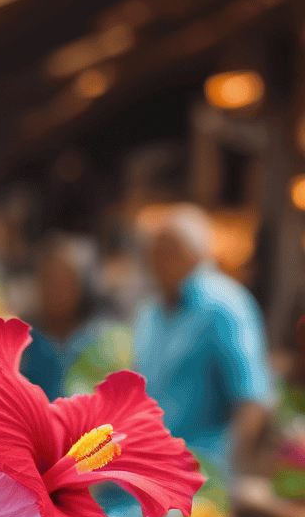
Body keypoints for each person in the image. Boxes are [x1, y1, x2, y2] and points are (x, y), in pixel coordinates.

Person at [133, 204, 275, 479]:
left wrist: (222, 474)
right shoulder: (150, 312)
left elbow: (253, 399)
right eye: (154, 253)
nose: (157, 263)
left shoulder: (223, 305)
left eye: (168, 252)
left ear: (195, 253)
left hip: (202, 477)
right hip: (152, 471)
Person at [20, 232, 131, 401]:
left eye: (65, 281)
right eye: (49, 280)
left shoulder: (103, 341)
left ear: (81, 286)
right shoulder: (26, 344)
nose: (56, 290)